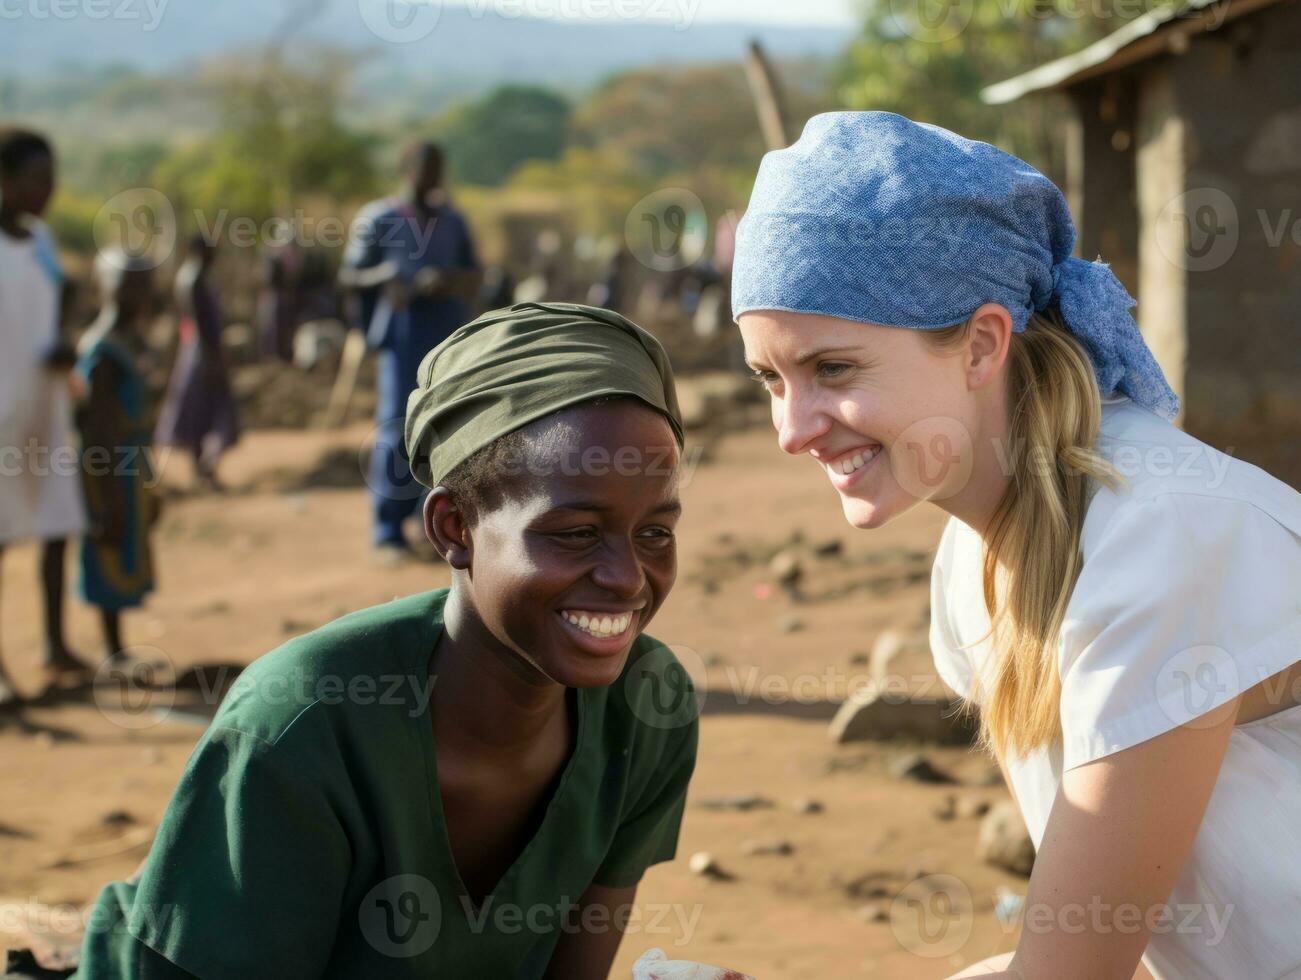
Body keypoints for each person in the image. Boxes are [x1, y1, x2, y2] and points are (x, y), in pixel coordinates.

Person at [731, 112, 1300, 980]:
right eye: (771, 379)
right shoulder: (974, 564)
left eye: (832, 370)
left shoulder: (1161, 536)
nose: (791, 430)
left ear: (981, 343)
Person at [73, 302, 699, 978]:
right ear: (454, 528)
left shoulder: (644, 709)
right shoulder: (303, 729)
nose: (628, 578)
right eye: (576, 533)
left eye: (655, 533)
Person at [339, 141, 481, 564]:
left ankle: (438, 528)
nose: (434, 176)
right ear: (407, 169)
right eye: (426, 167)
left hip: (449, 333)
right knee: (396, 427)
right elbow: (349, 275)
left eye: (440, 168)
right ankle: (387, 531)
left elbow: (475, 275)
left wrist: (445, 280)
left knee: (449, 427)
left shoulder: (454, 221)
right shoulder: (380, 218)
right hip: (403, 335)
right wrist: (388, 275)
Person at [0, 127, 90, 706]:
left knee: (57, 526)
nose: (49, 189)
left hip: (44, 407)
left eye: (53, 177)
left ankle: (56, 647)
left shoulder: (40, 242)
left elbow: (55, 308)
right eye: (38, 178)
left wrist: (64, 342)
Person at [75, 251, 158, 662]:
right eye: (127, 283)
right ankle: (112, 651)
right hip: (109, 467)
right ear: (105, 286)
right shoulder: (103, 352)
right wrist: (105, 501)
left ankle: (118, 648)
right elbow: (97, 431)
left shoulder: (133, 343)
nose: (136, 292)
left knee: (127, 546)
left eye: (142, 283)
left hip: (132, 463)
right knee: (109, 546)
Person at [153, 233, 239, 491]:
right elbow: (198, 323)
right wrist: (211, 358)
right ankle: (201, 468)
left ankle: (204, 468)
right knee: (199, 411)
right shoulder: (192, 278)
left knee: (203, 410)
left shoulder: (198, 276)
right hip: (201, 355)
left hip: (201, 353)